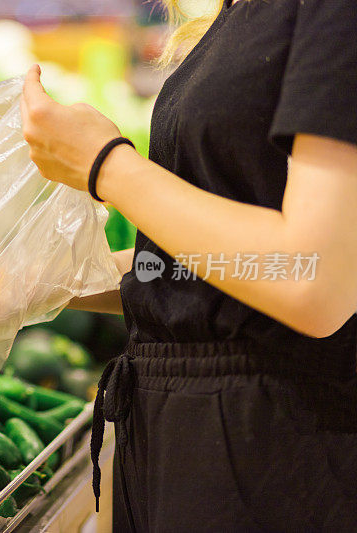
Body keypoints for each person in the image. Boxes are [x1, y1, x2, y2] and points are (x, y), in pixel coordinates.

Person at [19, 0, 357, 530]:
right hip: (196, 441)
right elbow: (216, 266)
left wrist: (106, 165)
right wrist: (22, 287)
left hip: (276, 454)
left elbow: (312, 277)